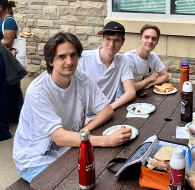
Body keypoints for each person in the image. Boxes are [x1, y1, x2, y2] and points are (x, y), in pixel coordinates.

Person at [13, 32, 132, 182]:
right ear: (51, 61)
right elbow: (59, 137)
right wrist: (107, 140)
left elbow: (107, 110)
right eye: (62, 56)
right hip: (36, 160)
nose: (69, 61)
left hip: (69, 149)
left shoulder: (82, 78)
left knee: (108, 173)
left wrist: (84, 131)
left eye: (73, 55)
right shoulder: (38, 91)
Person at [78, 21, 135, 121]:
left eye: (116, 40)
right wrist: (83, 118)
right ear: (102, 39)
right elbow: (70, 91)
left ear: (122, 42)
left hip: (107, 113)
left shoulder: (122, 60)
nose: (111, 44)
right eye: (108, 39)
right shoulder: (83, 58)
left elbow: (130, 92)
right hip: (84, 116)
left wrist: (108, 109)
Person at [0, 0, 22, 141]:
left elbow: (8, 41)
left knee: (11, 89)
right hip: (2, 60)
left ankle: (14, 118)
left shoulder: (8, 21)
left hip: (8, 60)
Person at [124, 24, 169, 93]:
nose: (150, 41)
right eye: (147, 37)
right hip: (123, 97)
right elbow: (131, 88)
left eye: (154, 39)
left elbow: (166, 76)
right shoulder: (129, 57)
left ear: (157, 42)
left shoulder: (153, 56)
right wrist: (149, 79)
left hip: (143, 94)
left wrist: (151, 84)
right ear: (140, 39)